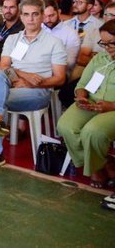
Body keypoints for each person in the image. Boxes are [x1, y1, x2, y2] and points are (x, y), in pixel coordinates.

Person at [0, 0, 67, 170]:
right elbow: (5, 67)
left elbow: (60, 78)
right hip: (13, 85)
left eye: (35, 14)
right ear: (21, 16)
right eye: (26, 14)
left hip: (38, 91)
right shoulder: (13, 39)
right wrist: (23, 76)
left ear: (42, 15)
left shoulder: (54, 43)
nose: (30, 19)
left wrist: (33, 84)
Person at [57, 21, 115, 188]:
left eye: (111, 43)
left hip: (112, 108)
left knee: (93, 131)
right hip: (91, 102)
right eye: (103, 43)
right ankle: (103, 164)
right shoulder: (99, 58)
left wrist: (110, 106)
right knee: (65, 126)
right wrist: (81, 96)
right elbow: (82, 84)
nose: (106, 47)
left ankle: (95, 168)